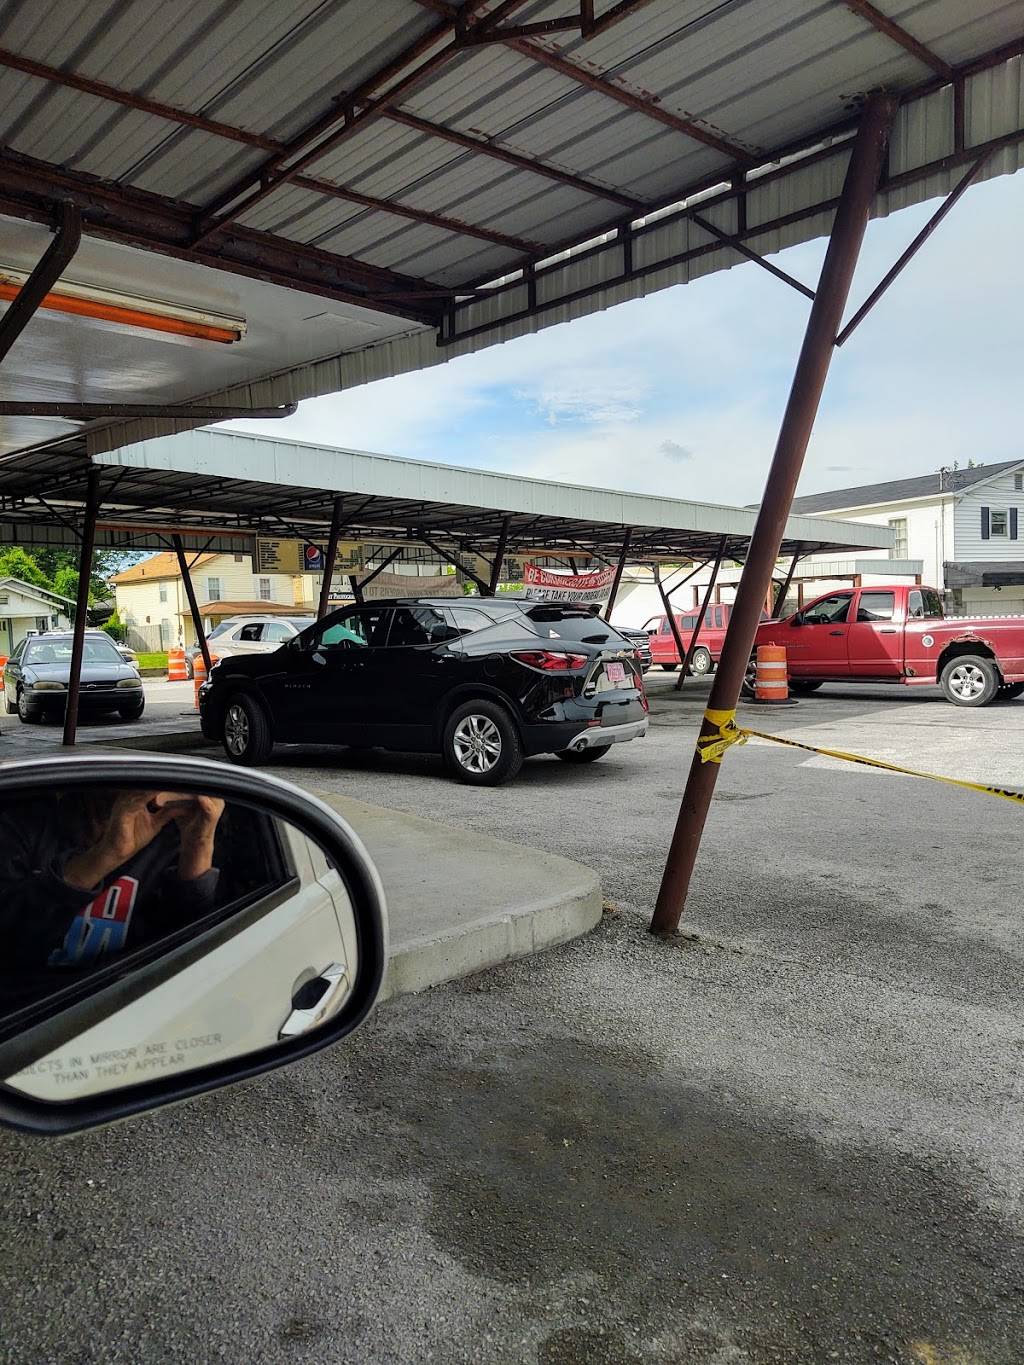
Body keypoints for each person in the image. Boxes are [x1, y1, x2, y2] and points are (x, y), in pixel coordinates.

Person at [0, 790, 224, 1004]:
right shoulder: (23, 823)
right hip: (24, 1010)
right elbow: (9, 944)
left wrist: (199, 846)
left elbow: (187, 955)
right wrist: (106, 855)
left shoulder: (169, 835)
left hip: (124, 1003)